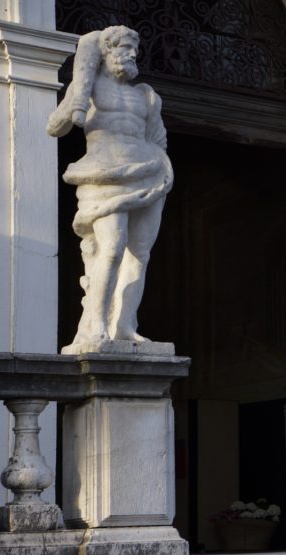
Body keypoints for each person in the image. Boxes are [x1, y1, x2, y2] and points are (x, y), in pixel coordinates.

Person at [47, 25, 174, 348]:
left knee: (139, 254)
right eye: (125, 48)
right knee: (112, 248)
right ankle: (96, 324)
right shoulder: (88, 87)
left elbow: (157, 138)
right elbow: (55, 126)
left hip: (147, 172)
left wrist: (161, 165)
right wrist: (74, 101)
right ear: (107, 52)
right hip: (103, 174)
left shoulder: (146, 95)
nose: (132, 54)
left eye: (135, 48)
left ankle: (124, 325)